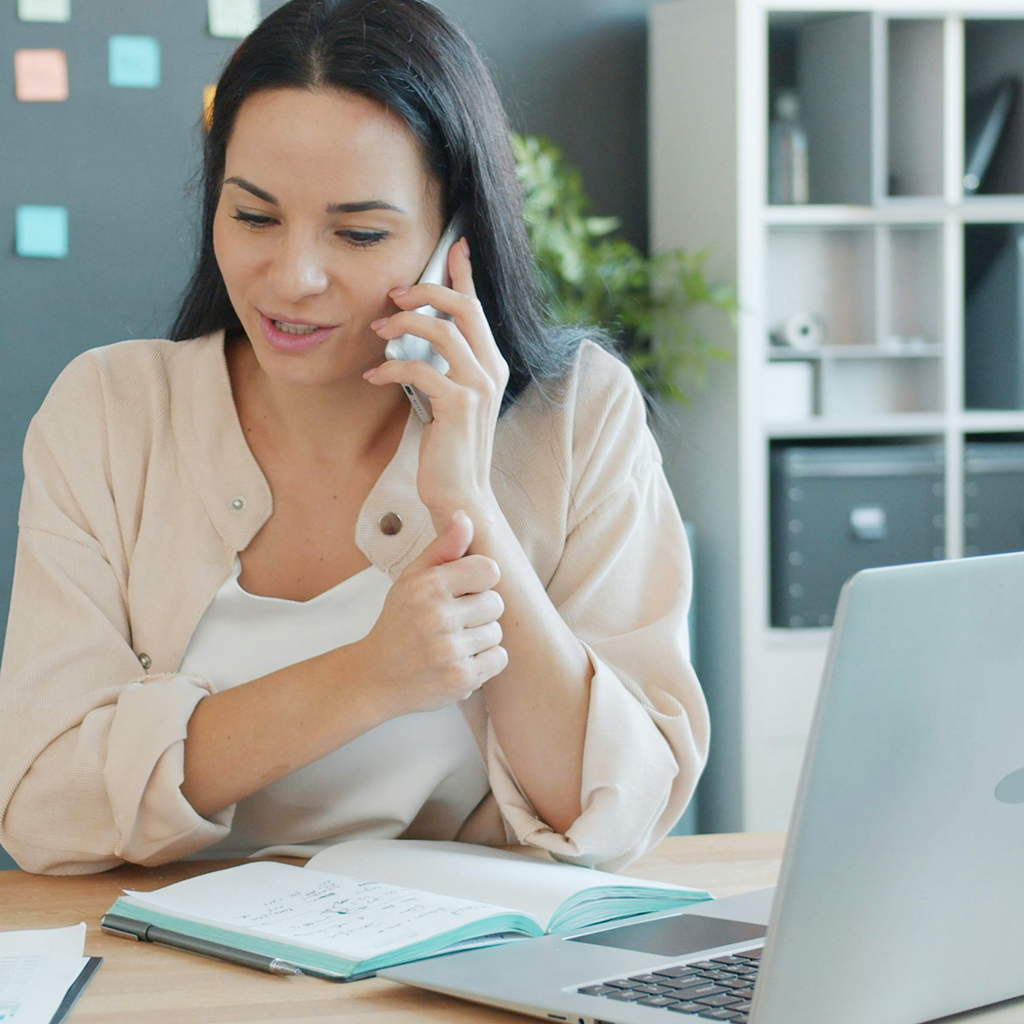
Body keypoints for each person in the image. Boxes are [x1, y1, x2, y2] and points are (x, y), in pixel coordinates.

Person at [0, 0, 708, 876]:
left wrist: (468, 499)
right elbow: (40, 806)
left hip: (457, 971)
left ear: (457, 238)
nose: (292, 278)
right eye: (254, 217)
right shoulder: (108, 413)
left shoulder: (578, 417)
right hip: (167, 971)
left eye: (360, 232)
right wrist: (364, 678)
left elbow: (614, 811)